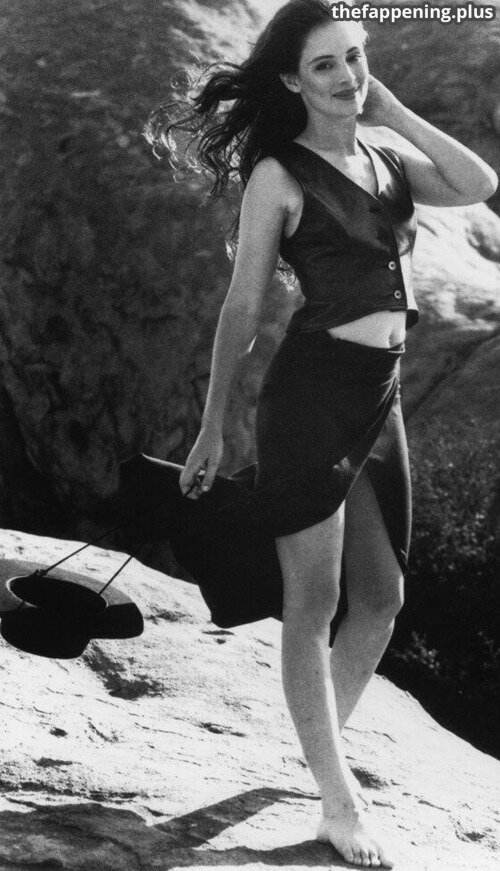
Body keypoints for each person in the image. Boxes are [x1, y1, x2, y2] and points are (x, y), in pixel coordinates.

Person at [145, 1, 498, 867]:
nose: (347, 76)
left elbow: (478, 184)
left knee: (382, 599)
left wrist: (394, 111)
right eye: (325, 65)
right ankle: (338, 802)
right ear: (291, 81)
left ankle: (316, 752)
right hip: (311, 396)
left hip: (381, 396)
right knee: (314, 602)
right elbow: (242, 306)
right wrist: (212, 426)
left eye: (354, 56)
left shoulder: (385, 156)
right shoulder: (279, 174)